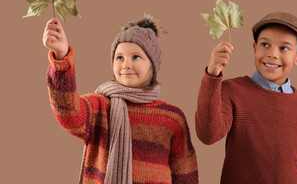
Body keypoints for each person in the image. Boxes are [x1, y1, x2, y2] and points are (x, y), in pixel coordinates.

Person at [43, 16, 198, 184]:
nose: (126, 65)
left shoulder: (172, 118)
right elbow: (69, 113)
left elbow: (185, 172)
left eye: (136, 57)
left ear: (152, 66)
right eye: (120, 57)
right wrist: (61, 57)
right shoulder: (100, 106)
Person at [195, 12, 297, 183]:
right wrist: (212, 75)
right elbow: (208, 135)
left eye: (284, 48)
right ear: (254, 48)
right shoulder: (233, 90)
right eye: (265, 44)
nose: (272, 54)